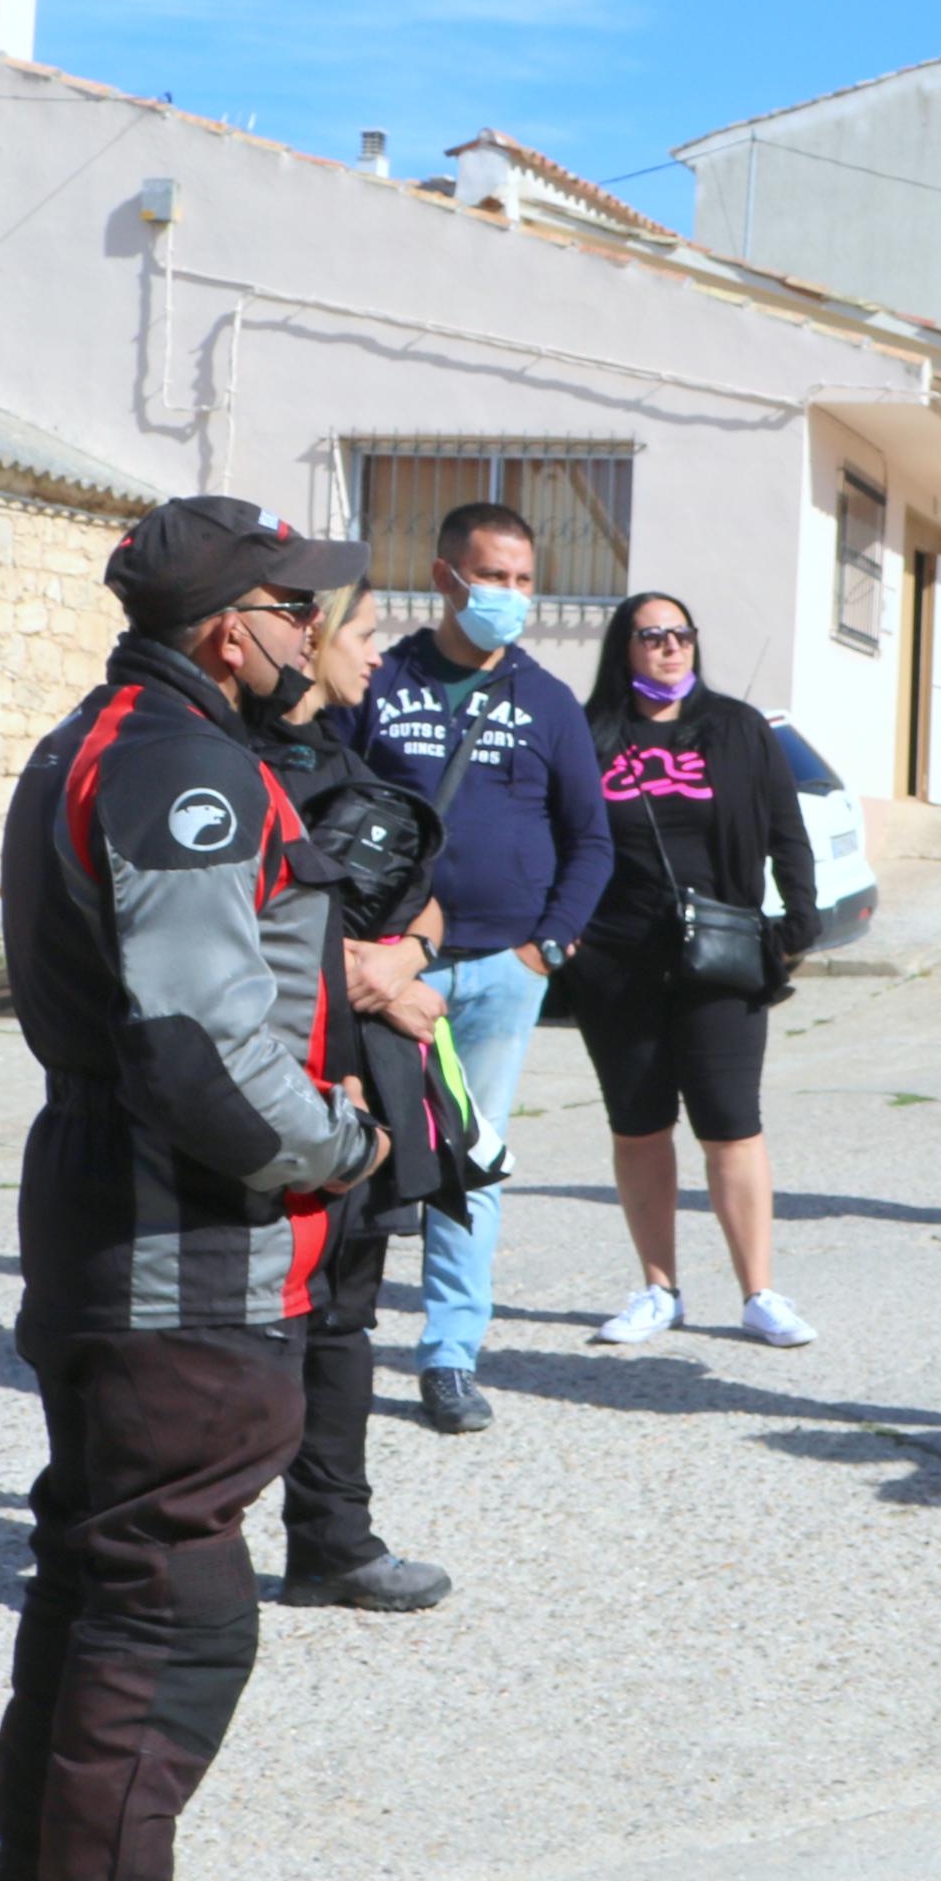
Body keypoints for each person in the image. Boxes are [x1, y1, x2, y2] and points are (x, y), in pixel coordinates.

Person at [0, 494, 397, 1881]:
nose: (318, 638)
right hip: (180, 1248)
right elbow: (196, 1047)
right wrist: (338, 1145)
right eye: (302, 612)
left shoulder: (109, 733)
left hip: (112, 1217)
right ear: (233, 628)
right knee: (174, 1597)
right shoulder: (184, 768)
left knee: (98, 1573)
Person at [353, 502, 611, 1433]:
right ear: (444, 575)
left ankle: (449, 1355)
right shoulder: (382, 682)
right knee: (364, 1151)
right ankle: (330, 1341)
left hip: (502, 968)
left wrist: (547, 946)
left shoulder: (547, 700)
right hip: (387, 969)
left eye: (520, 579)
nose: (506, 595)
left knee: (472, 1162)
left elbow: (591, 838)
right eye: (489, 576)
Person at [252, 579, 458, 1615]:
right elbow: (238, 928)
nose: (379, 655)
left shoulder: (342, 753)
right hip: (272, 1088)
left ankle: (332, 1542)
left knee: (343, 1319)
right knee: (251, 1325)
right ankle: (157, 1540)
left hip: (361, 1085)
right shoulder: (227, 761)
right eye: (366, 633)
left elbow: (426, 894)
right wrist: (368, 974)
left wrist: (407, 955)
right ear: (311, 633)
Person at [573, 589, 824, 1353]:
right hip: (617, 960)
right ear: (625, 648)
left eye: (681, 634)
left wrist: (797, 925)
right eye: (651, 636)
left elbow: (787, 830)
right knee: (639, 1124)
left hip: (721, 956)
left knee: (731, 1123)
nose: (670, 648)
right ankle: (659, 1288)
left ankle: (759, 1292)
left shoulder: (737, 729)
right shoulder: (591, 735)